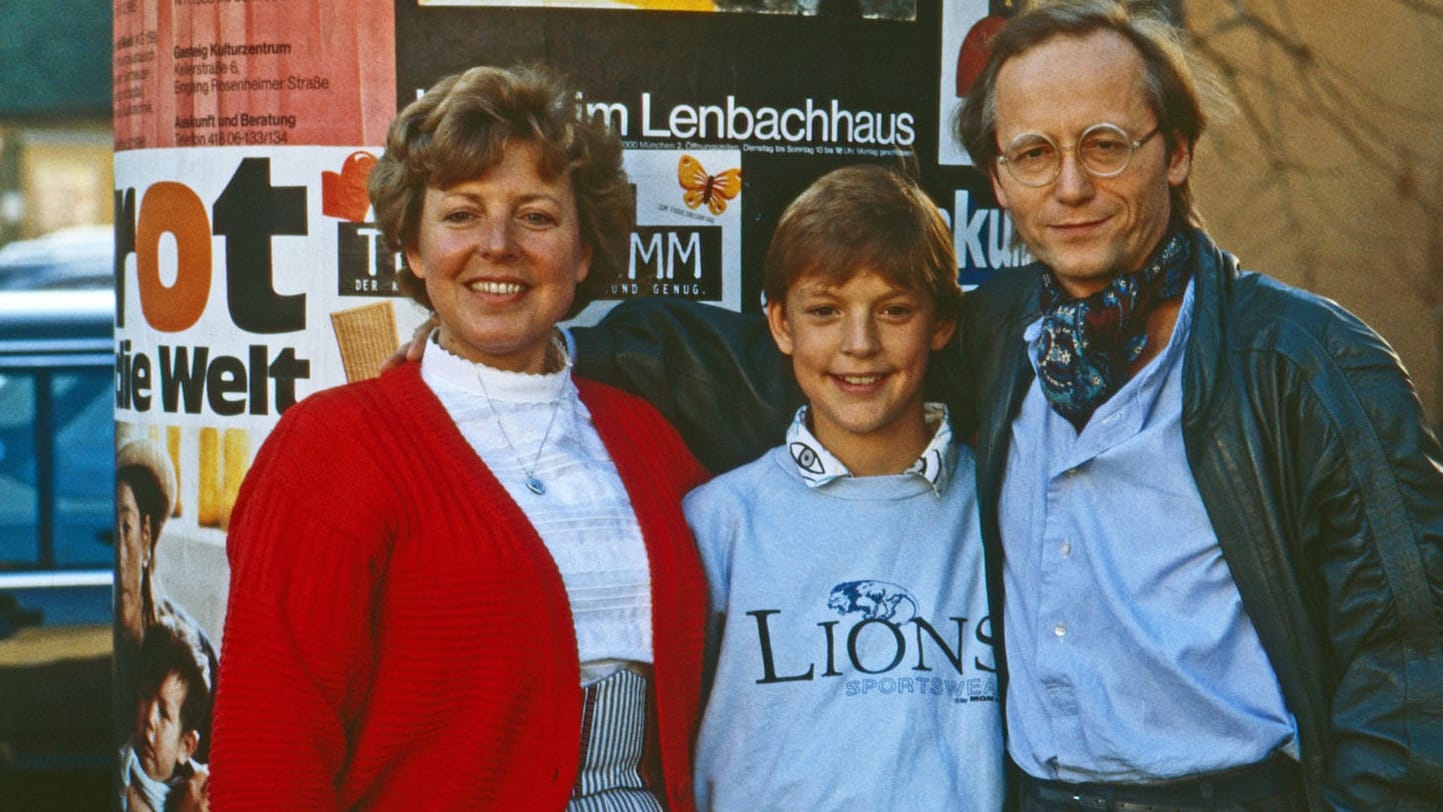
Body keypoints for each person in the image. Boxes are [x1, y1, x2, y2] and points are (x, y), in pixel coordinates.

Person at [558, 2, 1443, 808]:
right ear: (997, 177)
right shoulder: (1001, 336)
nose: (1068, 188)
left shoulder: (1302, 363)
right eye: (1032, 154)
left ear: (1174, 151)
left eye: (1104, 145)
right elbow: (785, 362)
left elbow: (1410, 654)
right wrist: (544, 344)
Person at [211, 65, 709, 810]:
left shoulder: (645, 437)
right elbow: (270, 749)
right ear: (412, 248)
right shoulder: (331, 449)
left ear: (581, 252)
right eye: (461, 215)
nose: (498, 245)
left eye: (537, 216)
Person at [685, 165, 1003, 810]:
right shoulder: (720, 520)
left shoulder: (1002, 506)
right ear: (780, 325)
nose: (859, 344)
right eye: (825, 311)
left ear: (940, 323)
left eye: (893, 310)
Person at [114, 438, 218, 761]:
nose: (118, 551)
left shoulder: (188, 649)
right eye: (109, 530)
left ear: (146, 537)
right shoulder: (91, 626)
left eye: (126, 527)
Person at [118, 618, 211, 812]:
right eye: (145, 696)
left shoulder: (204, 789)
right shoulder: (121, 776)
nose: (149, 719)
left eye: (164, 713)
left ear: (186, 746)